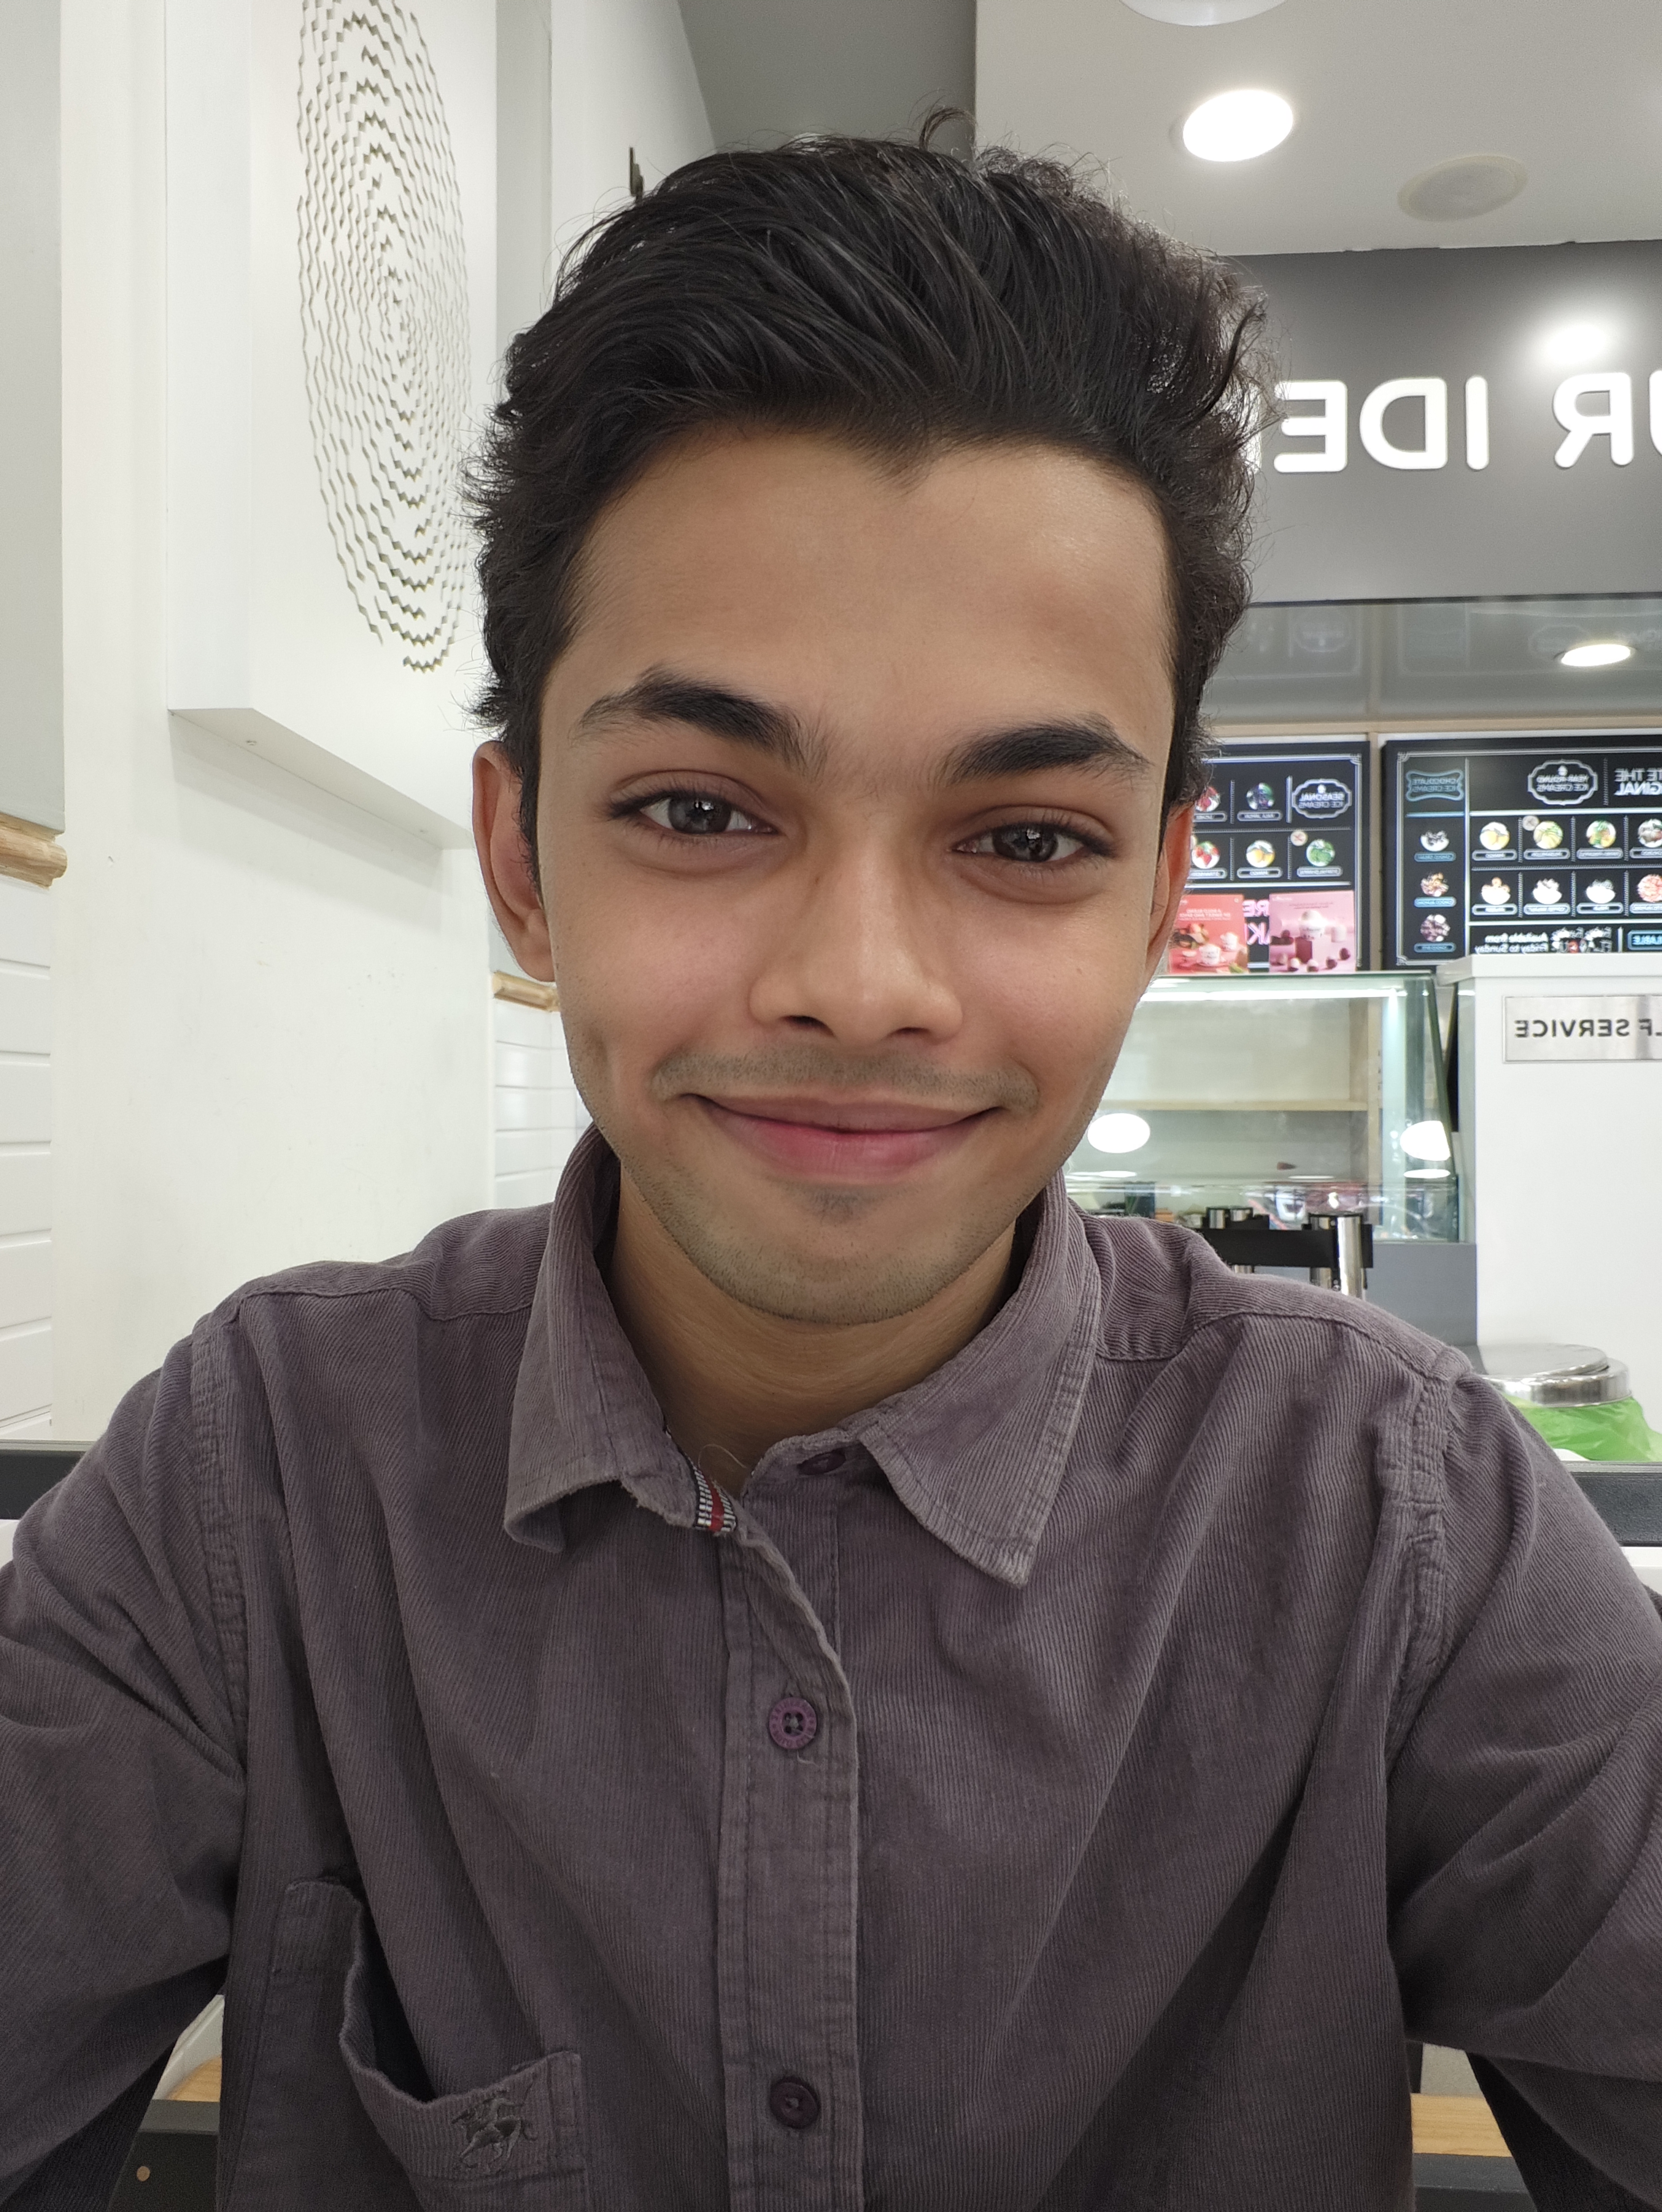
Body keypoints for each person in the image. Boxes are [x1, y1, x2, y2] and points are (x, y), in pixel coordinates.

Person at [3, 132, 1660, 2212]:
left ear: (1164, 891)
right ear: (524, 861)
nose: (861, 986)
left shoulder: (1398, 1521)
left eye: (1030, 839)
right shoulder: (260, 1479)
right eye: (702, 808)